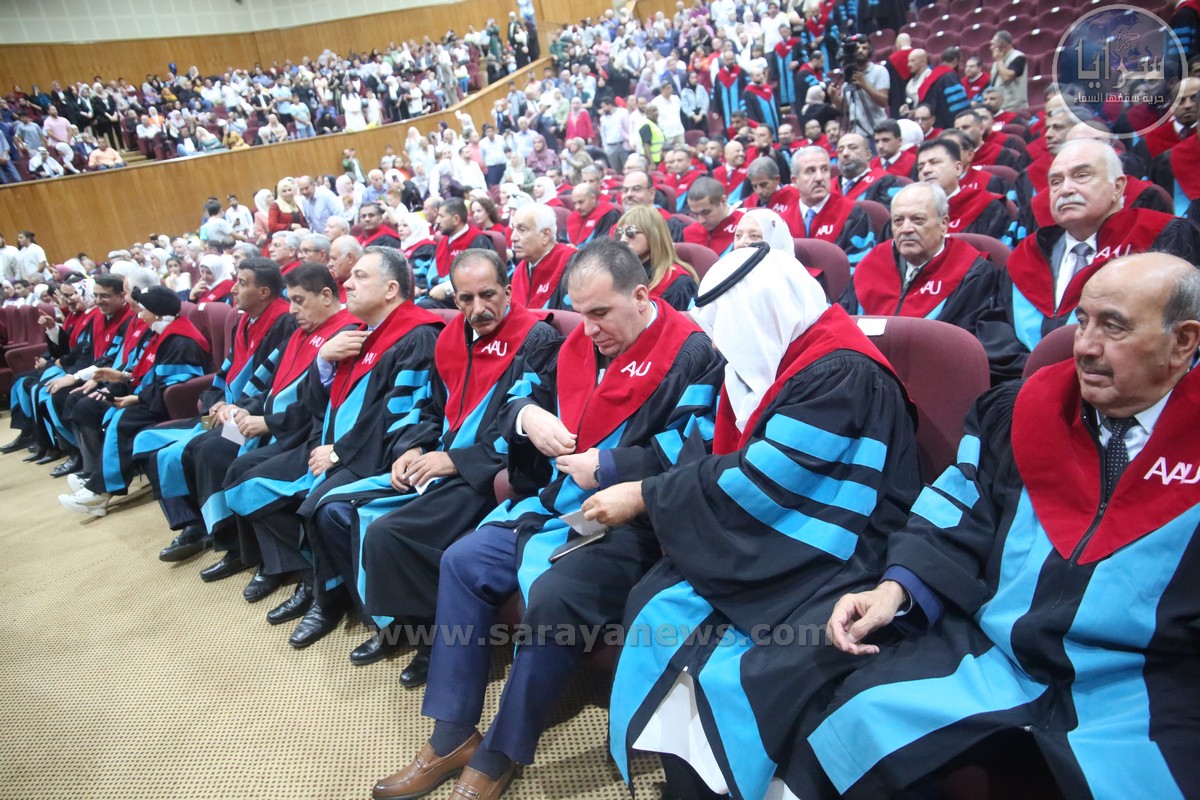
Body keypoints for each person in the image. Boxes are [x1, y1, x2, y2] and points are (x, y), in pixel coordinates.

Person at [811, 252, 1200, 799]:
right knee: (856, 716)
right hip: (996, 654)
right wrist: (896, 588)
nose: (1085, 346)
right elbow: (954, 509)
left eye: (1113, 327)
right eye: (1082, 321)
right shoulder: (1023, 410)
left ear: (1182, 342)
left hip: (1144, 686)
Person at [370, 238, 722, 800]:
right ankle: (452, 735)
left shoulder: (692, 353)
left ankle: (499, 753)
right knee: (462, 560)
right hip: (557, 505)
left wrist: (608, 465)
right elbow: (519, 397)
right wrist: (528, 416)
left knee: (557, 594)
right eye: (580, 313)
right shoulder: (575, 344)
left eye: (601, 312)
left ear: (641, 295)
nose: (589, 329)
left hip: (630, 520)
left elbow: (695, 450)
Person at [590, 242, 922, 800]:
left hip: (838, 542)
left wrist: (649, 494)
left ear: (760, 314)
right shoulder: (782, 355)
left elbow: (771, 480)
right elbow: (721, 452)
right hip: (778, 530)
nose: (721, 345)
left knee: (735, 670)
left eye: (728, 327)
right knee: (657, 600)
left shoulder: (842, 372)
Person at [301, 249, 562, 679]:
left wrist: (455, 461)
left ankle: (438, 639)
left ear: (508, 291)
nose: (478, 309)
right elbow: (426, 407)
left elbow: (528, 428)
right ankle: (404, 624)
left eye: (488, 295)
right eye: (466, 299)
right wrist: (411, 446)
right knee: (336, 510)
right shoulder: (450, 338)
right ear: (454, 299)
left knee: (388, 532)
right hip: (441, 463)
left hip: (490, 473)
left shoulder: (536, 340)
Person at [223, 248, 443, 640]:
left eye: (360, 277)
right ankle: (317, 576)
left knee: (318, 506)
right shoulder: (358, 334)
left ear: (391, 289)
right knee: (242, 485)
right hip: (330, 446)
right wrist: (323, 360)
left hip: (373, 455)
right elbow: (315, 404)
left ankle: (329, 597)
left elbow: (399, 417)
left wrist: (339, 454)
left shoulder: (418, 336)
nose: (347, 284)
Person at [135, 258, 297, 567]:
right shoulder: (244, 322)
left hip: (253, 416)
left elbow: (274, 382)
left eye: (242, 283)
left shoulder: (282, 323)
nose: (233, 289)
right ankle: (195, 523)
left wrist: (236, 408)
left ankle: (231, 542)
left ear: (264, 292)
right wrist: (215, 401)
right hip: (227, 412)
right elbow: (225, 371)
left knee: (206, 449)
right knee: (151, 444)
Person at [1001, 140, 1200, 371]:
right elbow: (999, 337)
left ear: (1118, 187)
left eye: (1082, 176)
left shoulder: (1165, 238)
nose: (1065, 189)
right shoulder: (1026, 256)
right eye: (1056, 181)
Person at [842, 183, 1018, 383]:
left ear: (944, 223)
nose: (906, 229)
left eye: (917, 219)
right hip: (865, 379)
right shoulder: (871, 266)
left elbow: (972, 349)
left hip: (934, 380)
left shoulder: (973, 273)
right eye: (898, 220)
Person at [59, 287, 210, 517]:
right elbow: (150, 375)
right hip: (154, 396)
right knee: (106, 411)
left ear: (158, 314)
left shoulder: (181, 341)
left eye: (143, 311)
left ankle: (100, 491)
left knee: (123, 419)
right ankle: (98, 479)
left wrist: (138, 397)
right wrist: (123, 378)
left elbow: (175, 385)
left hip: (174, 403)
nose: (139, 316)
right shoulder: (160, 334)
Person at [791, 147, 877, 271]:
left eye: (824, 169)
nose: (819, 178)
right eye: (810, 171)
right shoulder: (782, 221)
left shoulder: (853, 214)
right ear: (795, 181)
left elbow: (859, 268)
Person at [913, 138, 1011, 241]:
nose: (926, 170)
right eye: (920, 167)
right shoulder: (910, 211)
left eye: (935, 162)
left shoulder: (987, 206)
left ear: (958, 168)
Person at [614, 205, 699, 311]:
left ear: (652, 236)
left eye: (630, 233)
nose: (622, 239)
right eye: (619, 233)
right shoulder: (619, 274)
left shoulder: (678, 283)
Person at [421, 198, 497, 308]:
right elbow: (431, 272)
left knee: (423, 307)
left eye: (441, 216)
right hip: (434, 295)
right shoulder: (443, 242)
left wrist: (447, 288)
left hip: (462, 300)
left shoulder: (478, 240)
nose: (437, 221)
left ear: (456, 219)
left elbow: (481, 277)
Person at [509, 204, 576, 310]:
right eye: (513, 229)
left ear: (545, 235)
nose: (513, 237)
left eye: (522, 230)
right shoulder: (519, 271)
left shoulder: (572, 265)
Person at [683, 176, 744, 257]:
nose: (700, 221)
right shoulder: (690, 232)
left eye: (706, 212)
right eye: (695, 214)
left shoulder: (745, 225)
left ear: (723, 201)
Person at [988, 30, 1028, 111]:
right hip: (999, 107)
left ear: (1002, 45)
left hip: (1014, 107)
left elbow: (1006, 77)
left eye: (993, 44)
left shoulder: (1018, 57)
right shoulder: (996, 62)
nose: (990, 48)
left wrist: (999, 60)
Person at [266, 177, 307, 253]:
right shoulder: (275, 206)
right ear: (279, 193)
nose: (288, 193)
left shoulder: (295, 205)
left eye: (289, 190)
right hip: (280, 244)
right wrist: (290, 226)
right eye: (284, 191)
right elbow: (272, 226)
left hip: (295, 239)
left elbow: (302, 222)